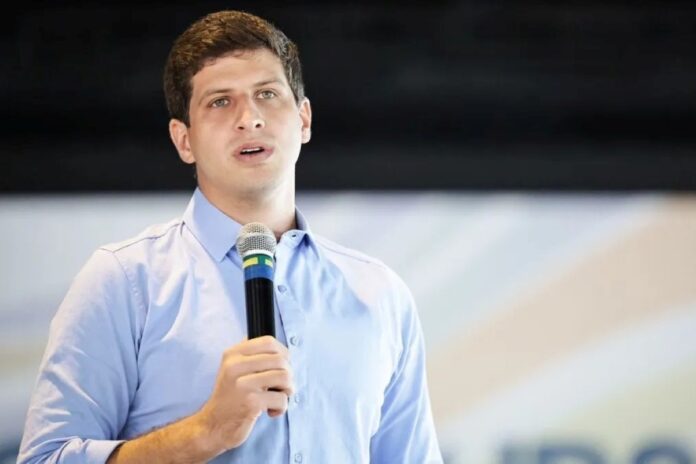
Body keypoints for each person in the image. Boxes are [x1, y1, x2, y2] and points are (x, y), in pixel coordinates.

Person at [19, 10, 442, 463]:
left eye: (267, 94)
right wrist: (206, 431)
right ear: (184, 140)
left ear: (303, 119)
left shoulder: (380, 294)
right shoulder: (125, 281)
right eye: (220, 102)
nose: (249, 118)